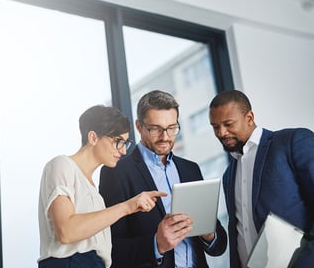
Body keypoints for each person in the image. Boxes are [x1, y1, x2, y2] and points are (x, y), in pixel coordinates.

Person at [99, 90, 227, 268]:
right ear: (139, 126)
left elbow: (219, 246)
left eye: (172, 128)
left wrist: (209, 235)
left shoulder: (190, 170)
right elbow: (110, 248)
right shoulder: (116, 172)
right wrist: (156, 244)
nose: (165, 137)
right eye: (155, 129)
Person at [38, 105, 167, 268]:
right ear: (93, 138)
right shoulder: (62, 165)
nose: (123, 151)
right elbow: (66, 231)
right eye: (118, 142)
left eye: (125, 143)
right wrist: (128, 207)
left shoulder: (95, 192)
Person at [208, 89, 314, 268]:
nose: (221, 132)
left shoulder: (291, 142)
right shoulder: (228, 175)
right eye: (215, 127)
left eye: (228, 124)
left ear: (249, 117)